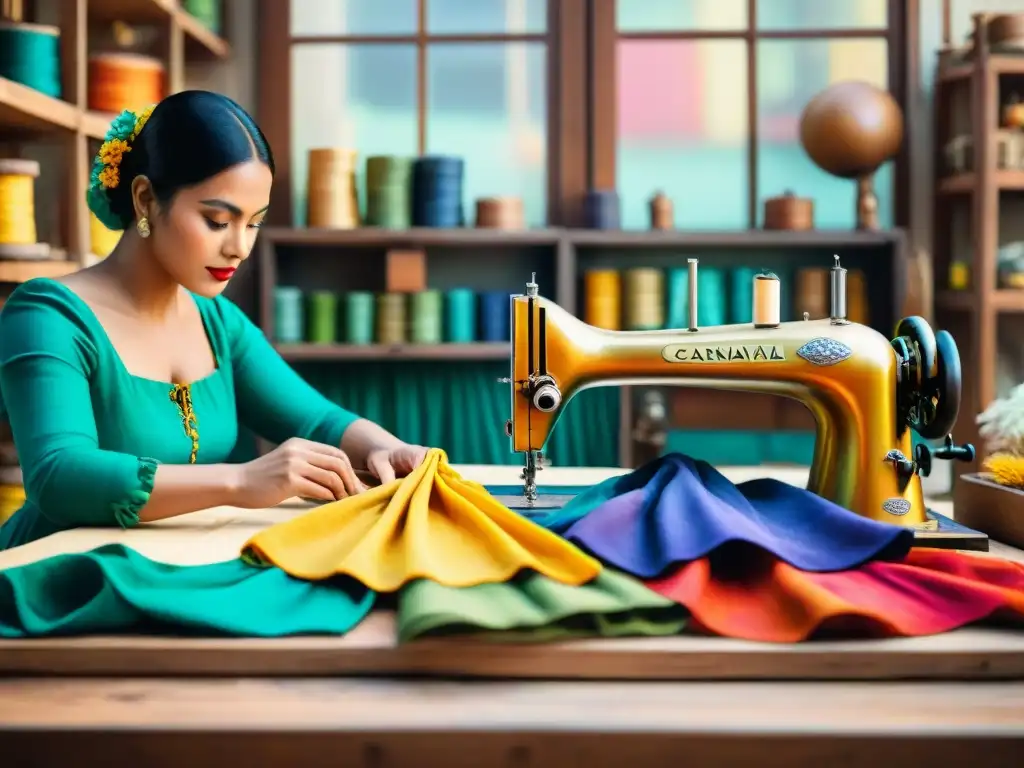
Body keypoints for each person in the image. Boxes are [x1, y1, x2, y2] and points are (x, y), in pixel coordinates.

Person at [0, 90, 428, 550]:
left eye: (254, 222)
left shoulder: (218, 323)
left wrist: (383, 446)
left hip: (170, 565)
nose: (240, 248)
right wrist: (241, 482)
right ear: (145, 199)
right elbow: (59, 475)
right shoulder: (48, 318)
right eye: (218, 220)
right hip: (55, 576)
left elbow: (317, 420)